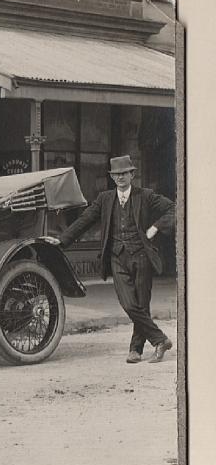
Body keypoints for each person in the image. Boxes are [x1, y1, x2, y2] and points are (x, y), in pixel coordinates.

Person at [43, 155, 175, 364]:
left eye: (124, 173)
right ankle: (160, 339)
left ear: (132, 174)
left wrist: (155, 227)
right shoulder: (105, 199)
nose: (120, 178)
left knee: (142, 304)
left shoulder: (146, 195)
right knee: (129, 304)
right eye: (116, 174)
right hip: (116, 257)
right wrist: (62, 240)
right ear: (112, 177)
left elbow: (174, 208)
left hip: (142, 255)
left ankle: (136, 350)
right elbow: (85, 219)